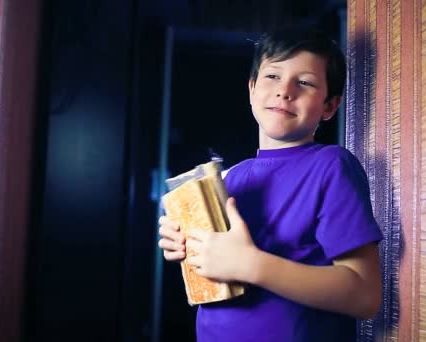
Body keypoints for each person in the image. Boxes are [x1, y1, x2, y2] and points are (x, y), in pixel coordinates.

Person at [158, 26, 383, 341]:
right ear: (252, 89)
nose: (285, 90)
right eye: (272, 77)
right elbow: (217, 267)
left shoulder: (331, 167)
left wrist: (251, 265)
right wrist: (186, 246)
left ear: (330, 105)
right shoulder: (231, 177)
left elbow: (365, 296)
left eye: (305, 82)